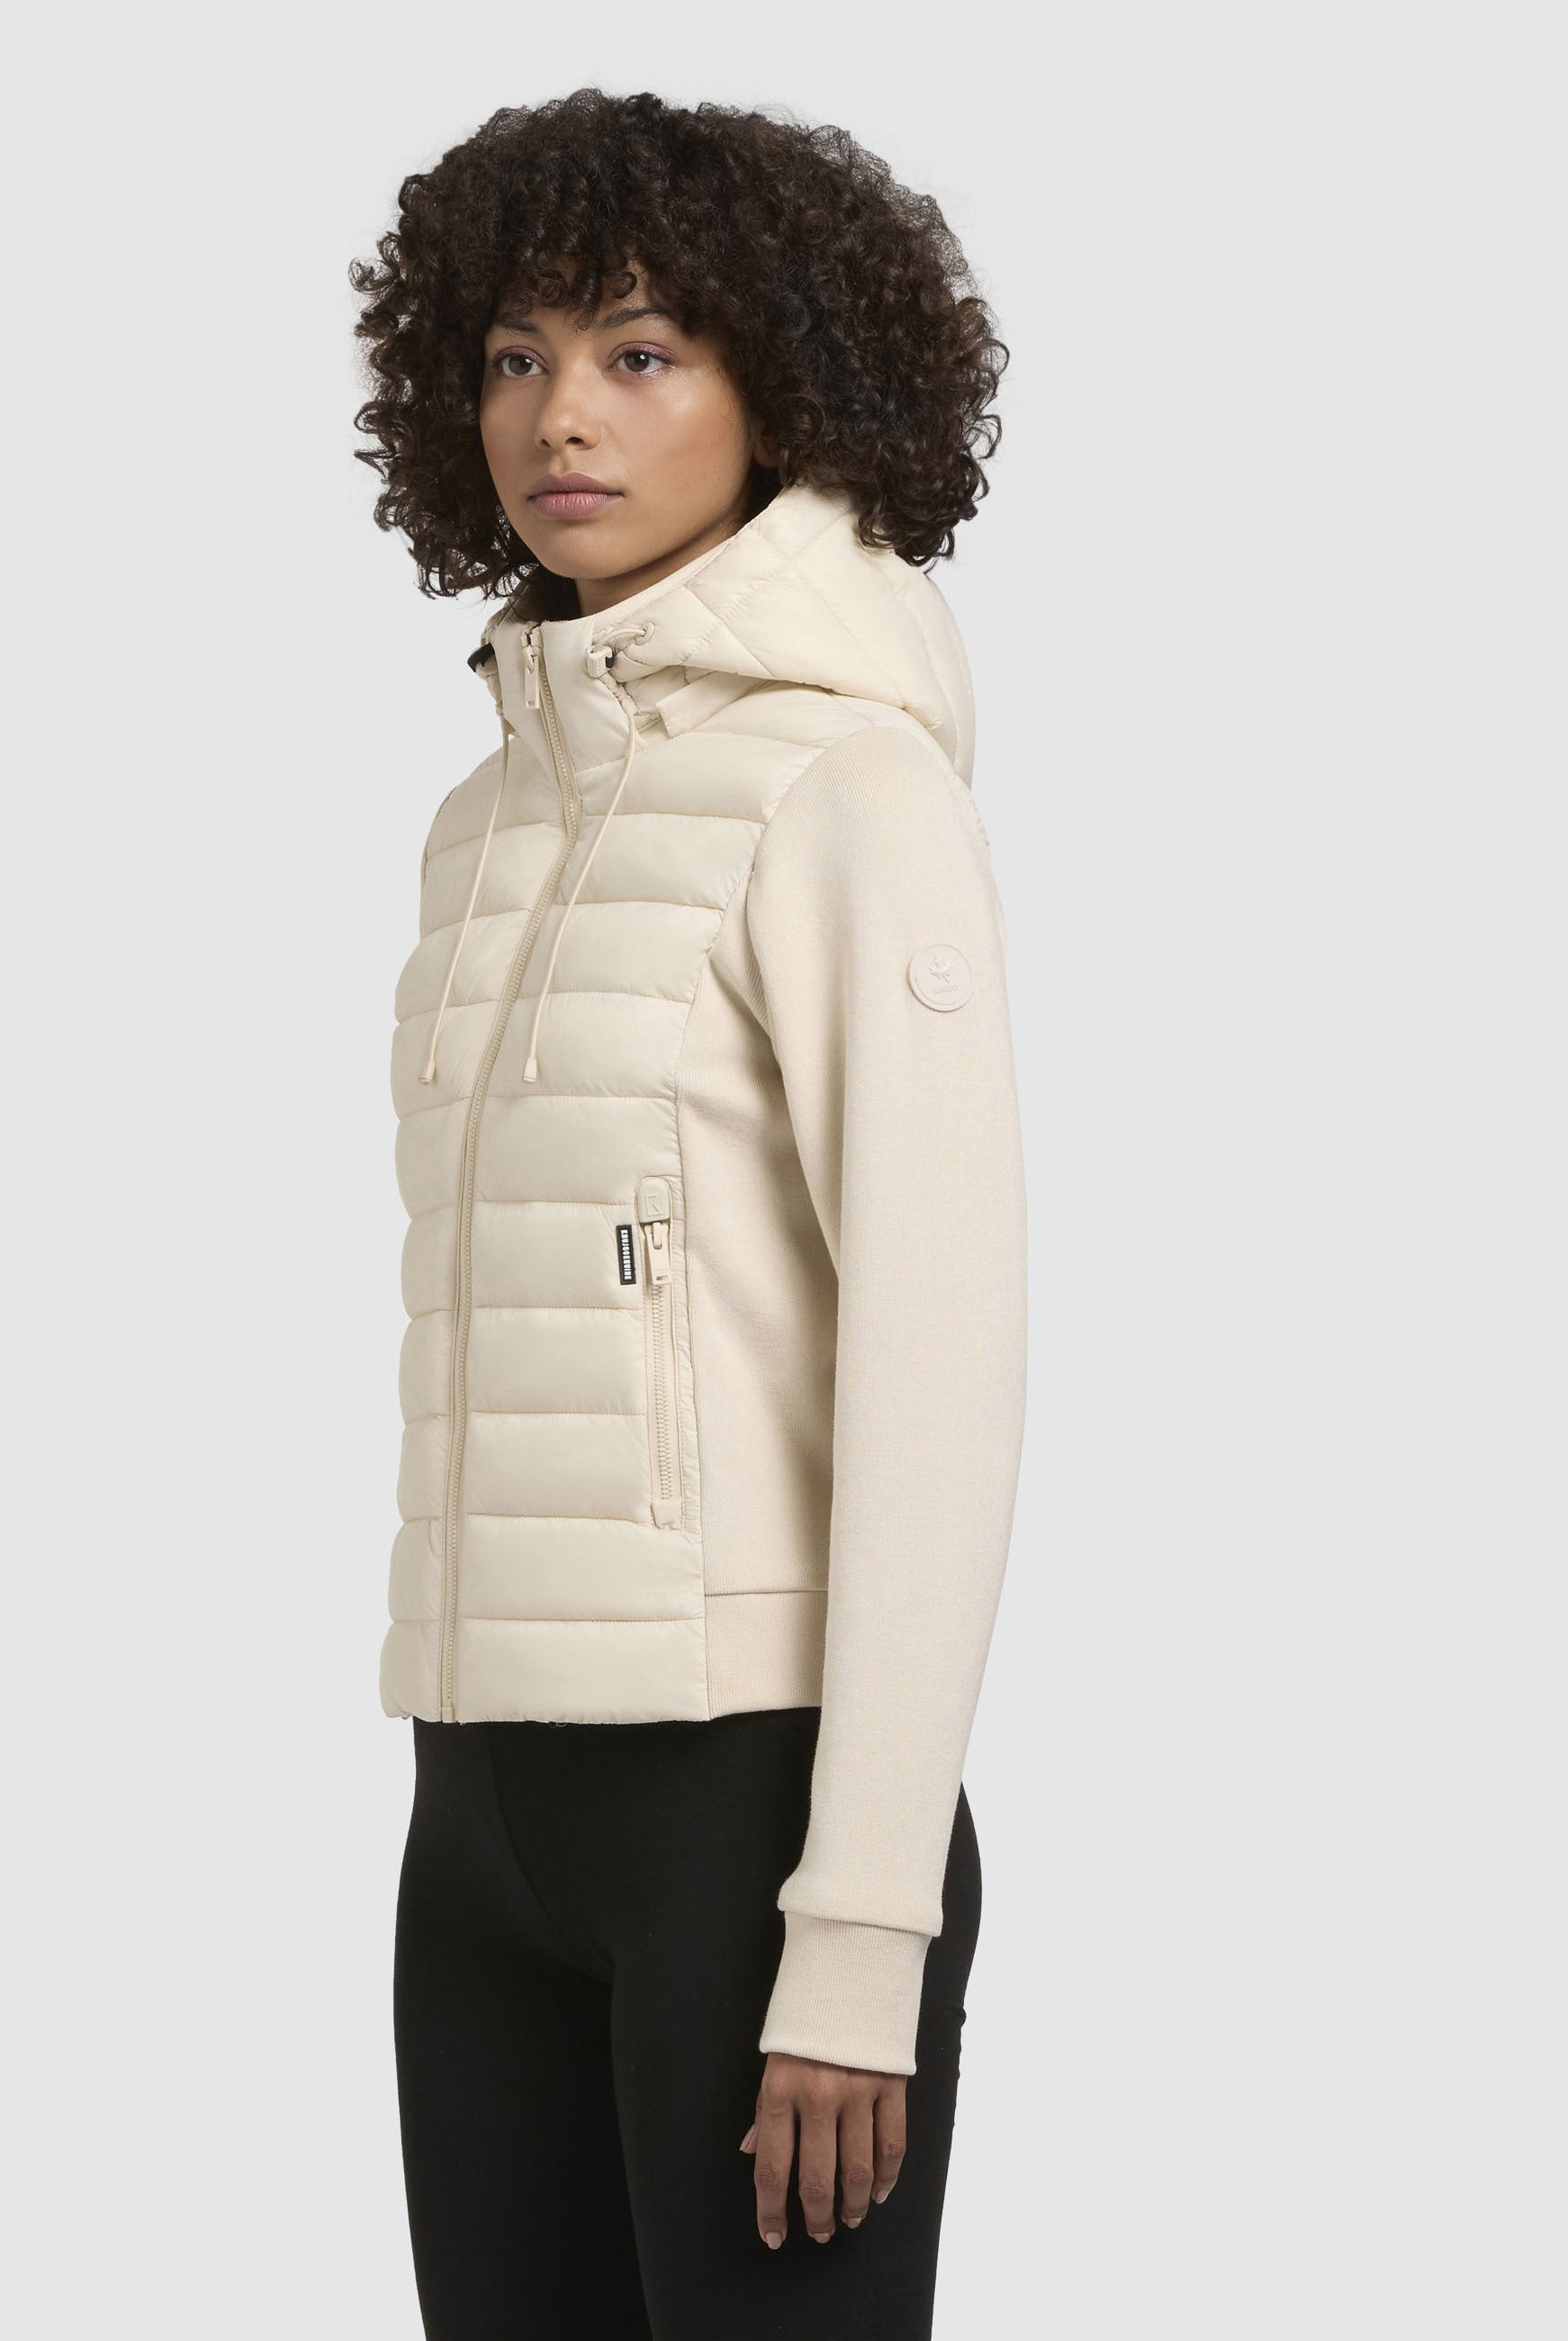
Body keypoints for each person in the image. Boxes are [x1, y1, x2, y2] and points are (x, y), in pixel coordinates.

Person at [349, 87, 1028, 2340]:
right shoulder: (485, 824)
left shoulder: (849, 791)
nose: (563, 414)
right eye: (517, 354)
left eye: (642, 353)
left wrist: (859, 1932)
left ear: (782, 387)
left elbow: (941, 1369)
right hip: (479, 1813)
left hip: (749, 1816)